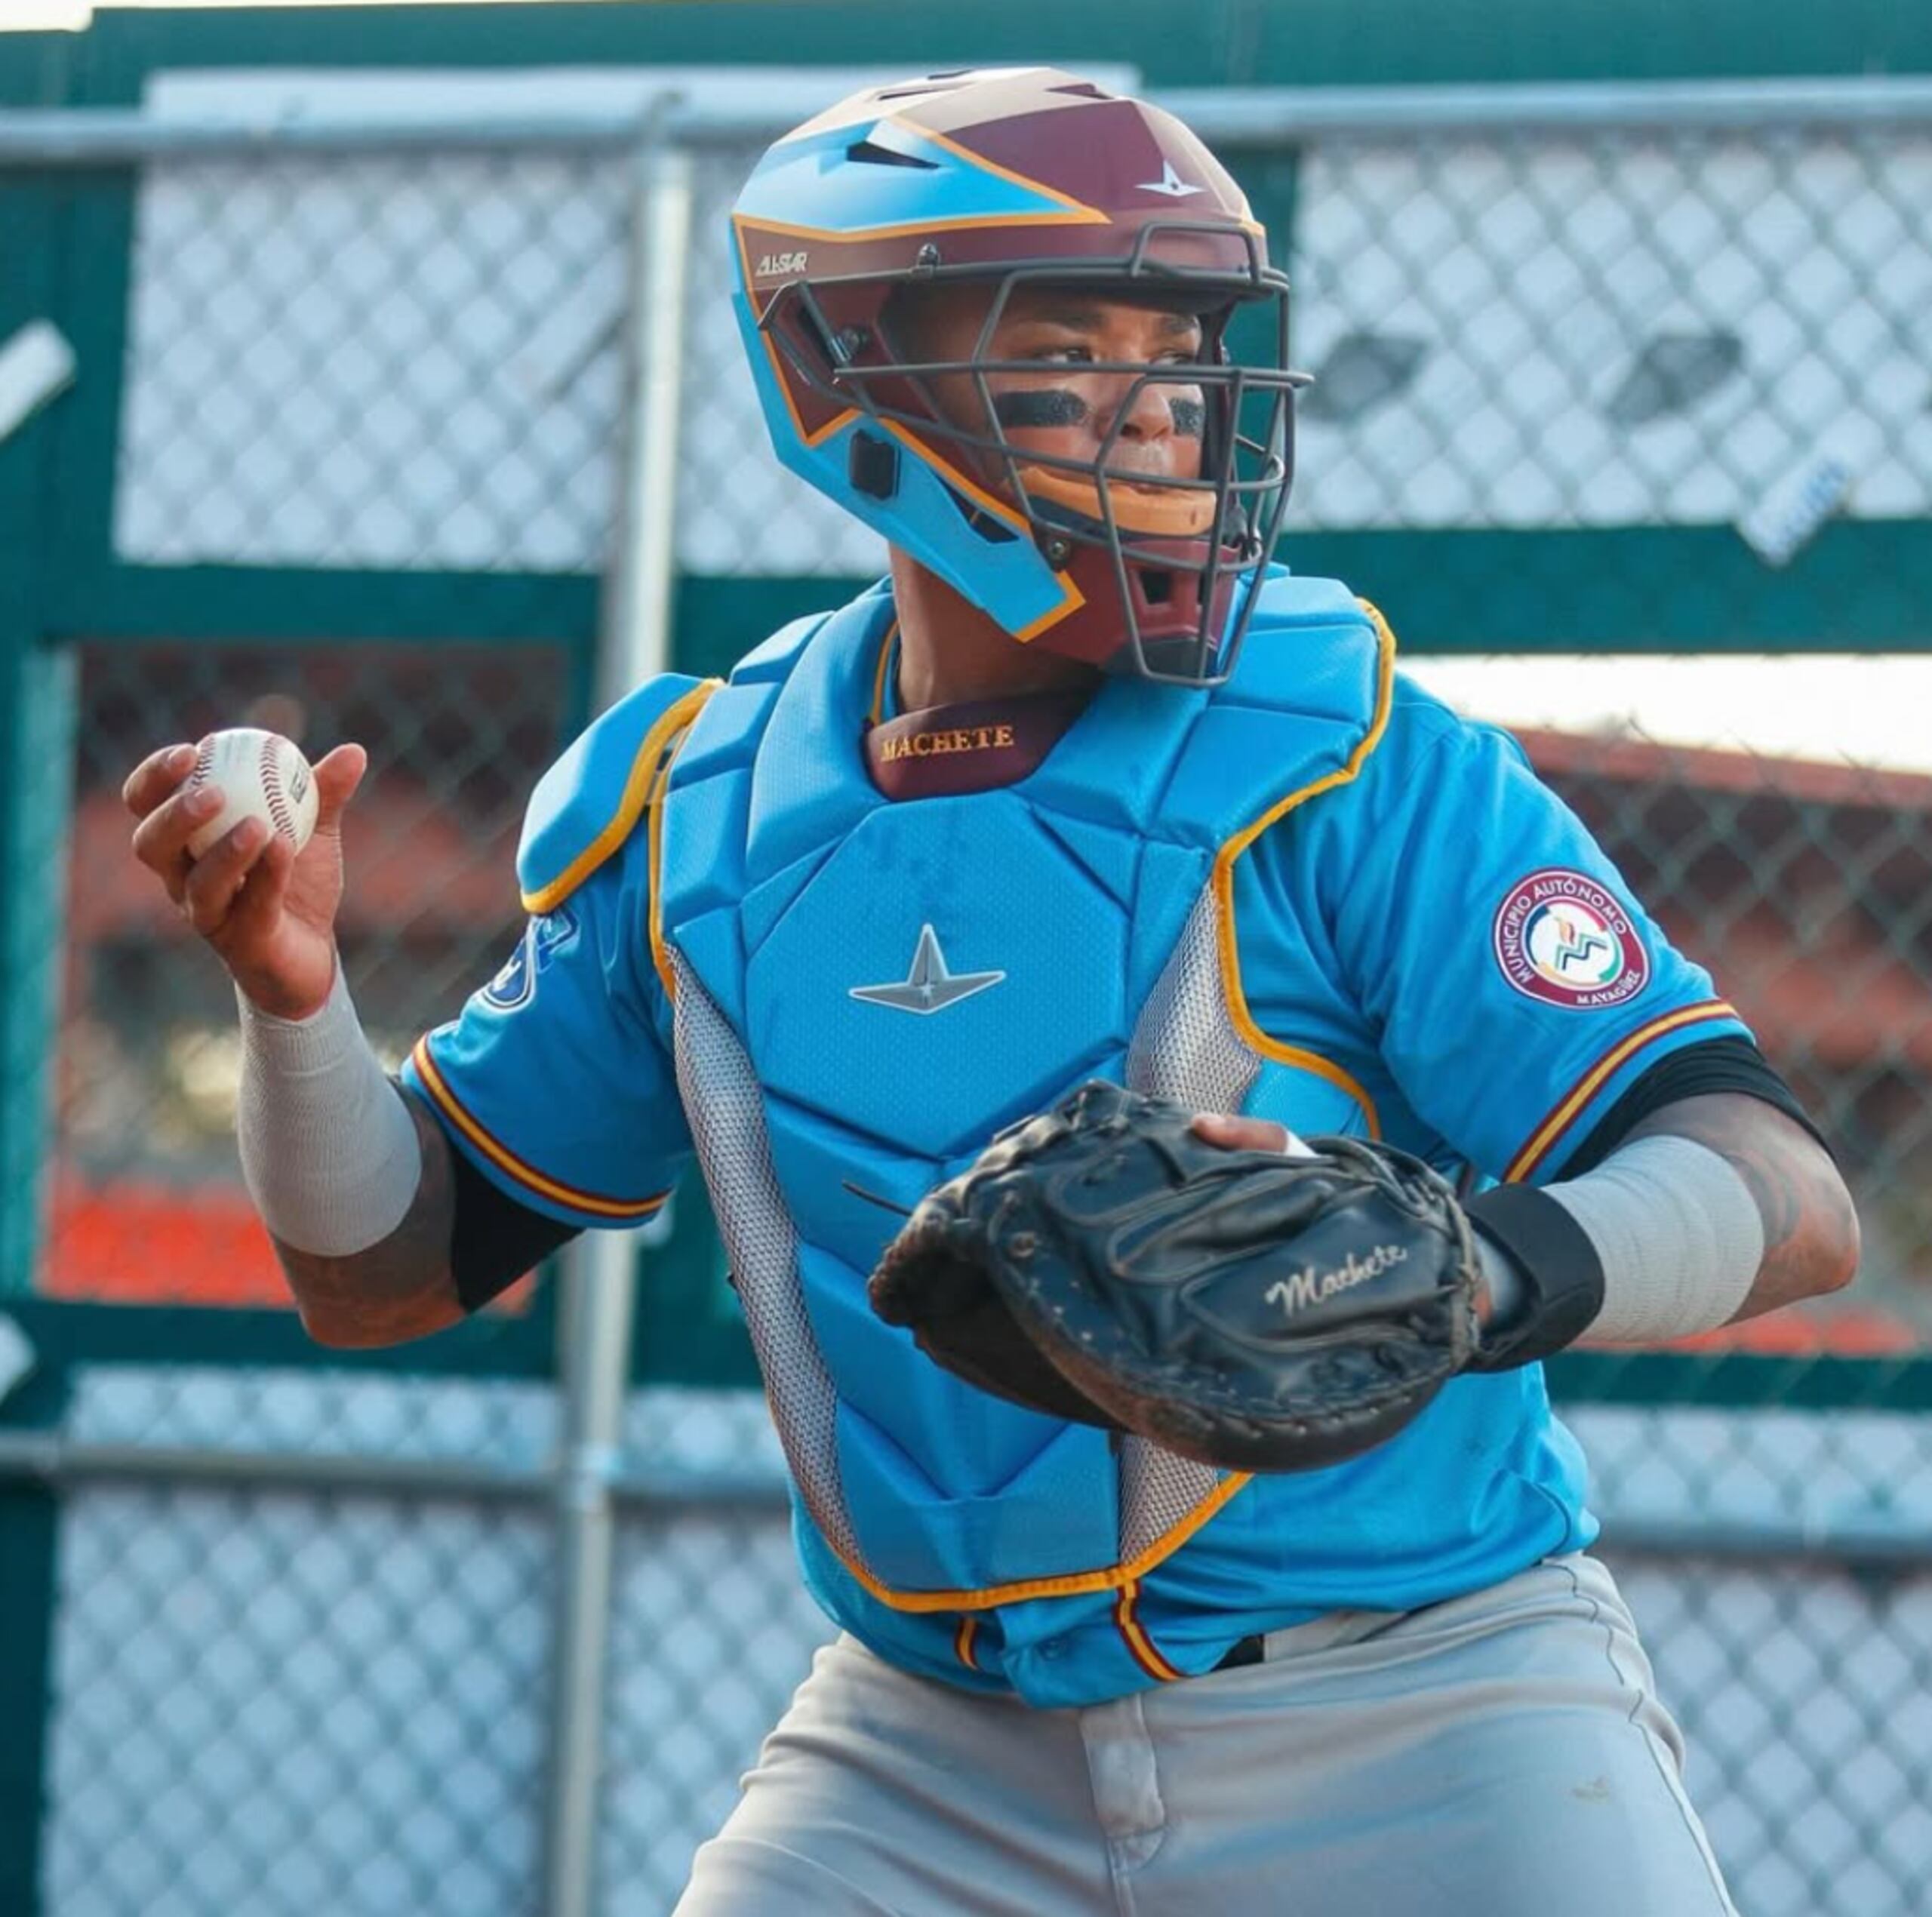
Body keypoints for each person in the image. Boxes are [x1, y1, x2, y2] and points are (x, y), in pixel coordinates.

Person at [126, 68, 1858, 1916]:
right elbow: (386, 1272)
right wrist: (291, 995)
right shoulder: (702, 813)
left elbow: (1786, 1195)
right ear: (843, 382)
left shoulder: (1346, 752)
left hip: (1425, 1698)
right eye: (1065, 356)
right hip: (928, 1744)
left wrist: (1474, 1266)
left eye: (1178, 358)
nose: (1164, 422)